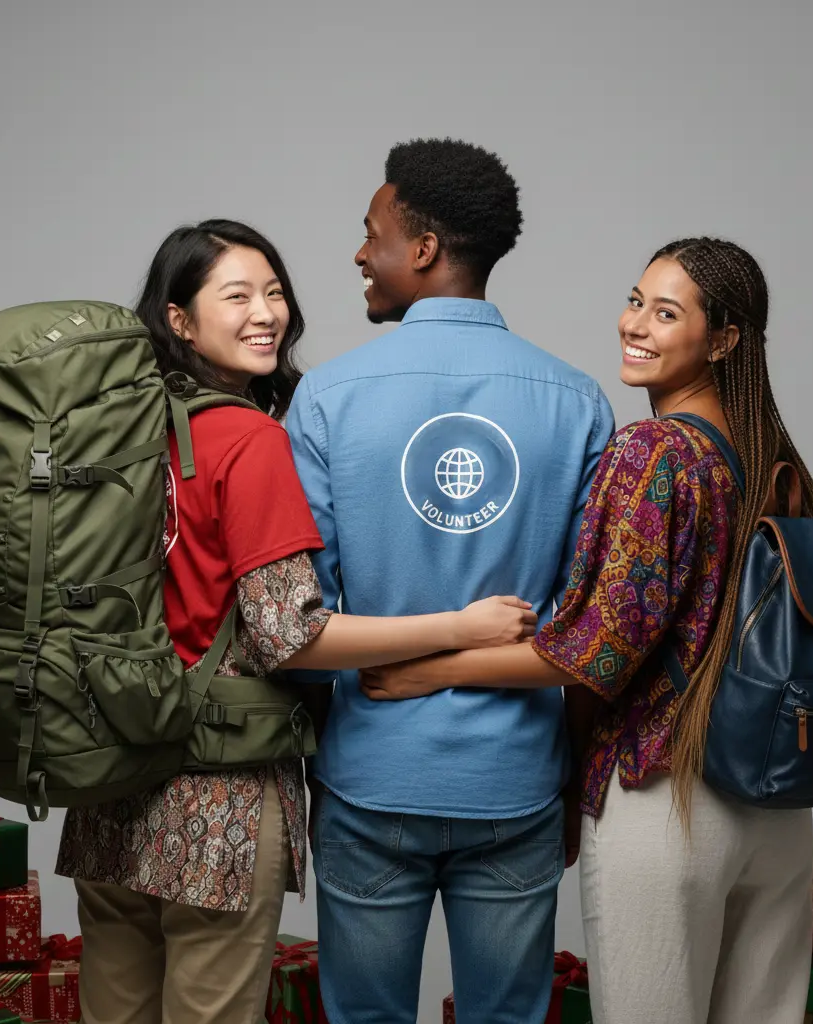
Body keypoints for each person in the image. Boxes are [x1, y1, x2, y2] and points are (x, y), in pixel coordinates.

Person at [54, 218, 536, 1024]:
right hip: (219, 801)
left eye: (273, 291)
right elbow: (293, 636)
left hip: (109, 784)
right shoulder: (246, 438)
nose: (266, 312)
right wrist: (461, 626)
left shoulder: (116, 432)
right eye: (236, 295)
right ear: (177, 319)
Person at [362, 236, 813, 1024]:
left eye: (666, 312)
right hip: (779, 803)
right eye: (636, 300)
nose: (634, 324)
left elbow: (595, 651)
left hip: (670, 794)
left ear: (723, 340)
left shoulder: (652, 452)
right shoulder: (767, 455)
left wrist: (434, 669)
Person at [285, 139, 614, 1024]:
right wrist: (569, 771)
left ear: (422, 248)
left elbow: (299, 634)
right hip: (516, 780)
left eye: (373, 233)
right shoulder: (578, 401)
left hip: (371, 775)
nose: (360, 253)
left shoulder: (324, 398)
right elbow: (591, 626)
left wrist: (330, 752)